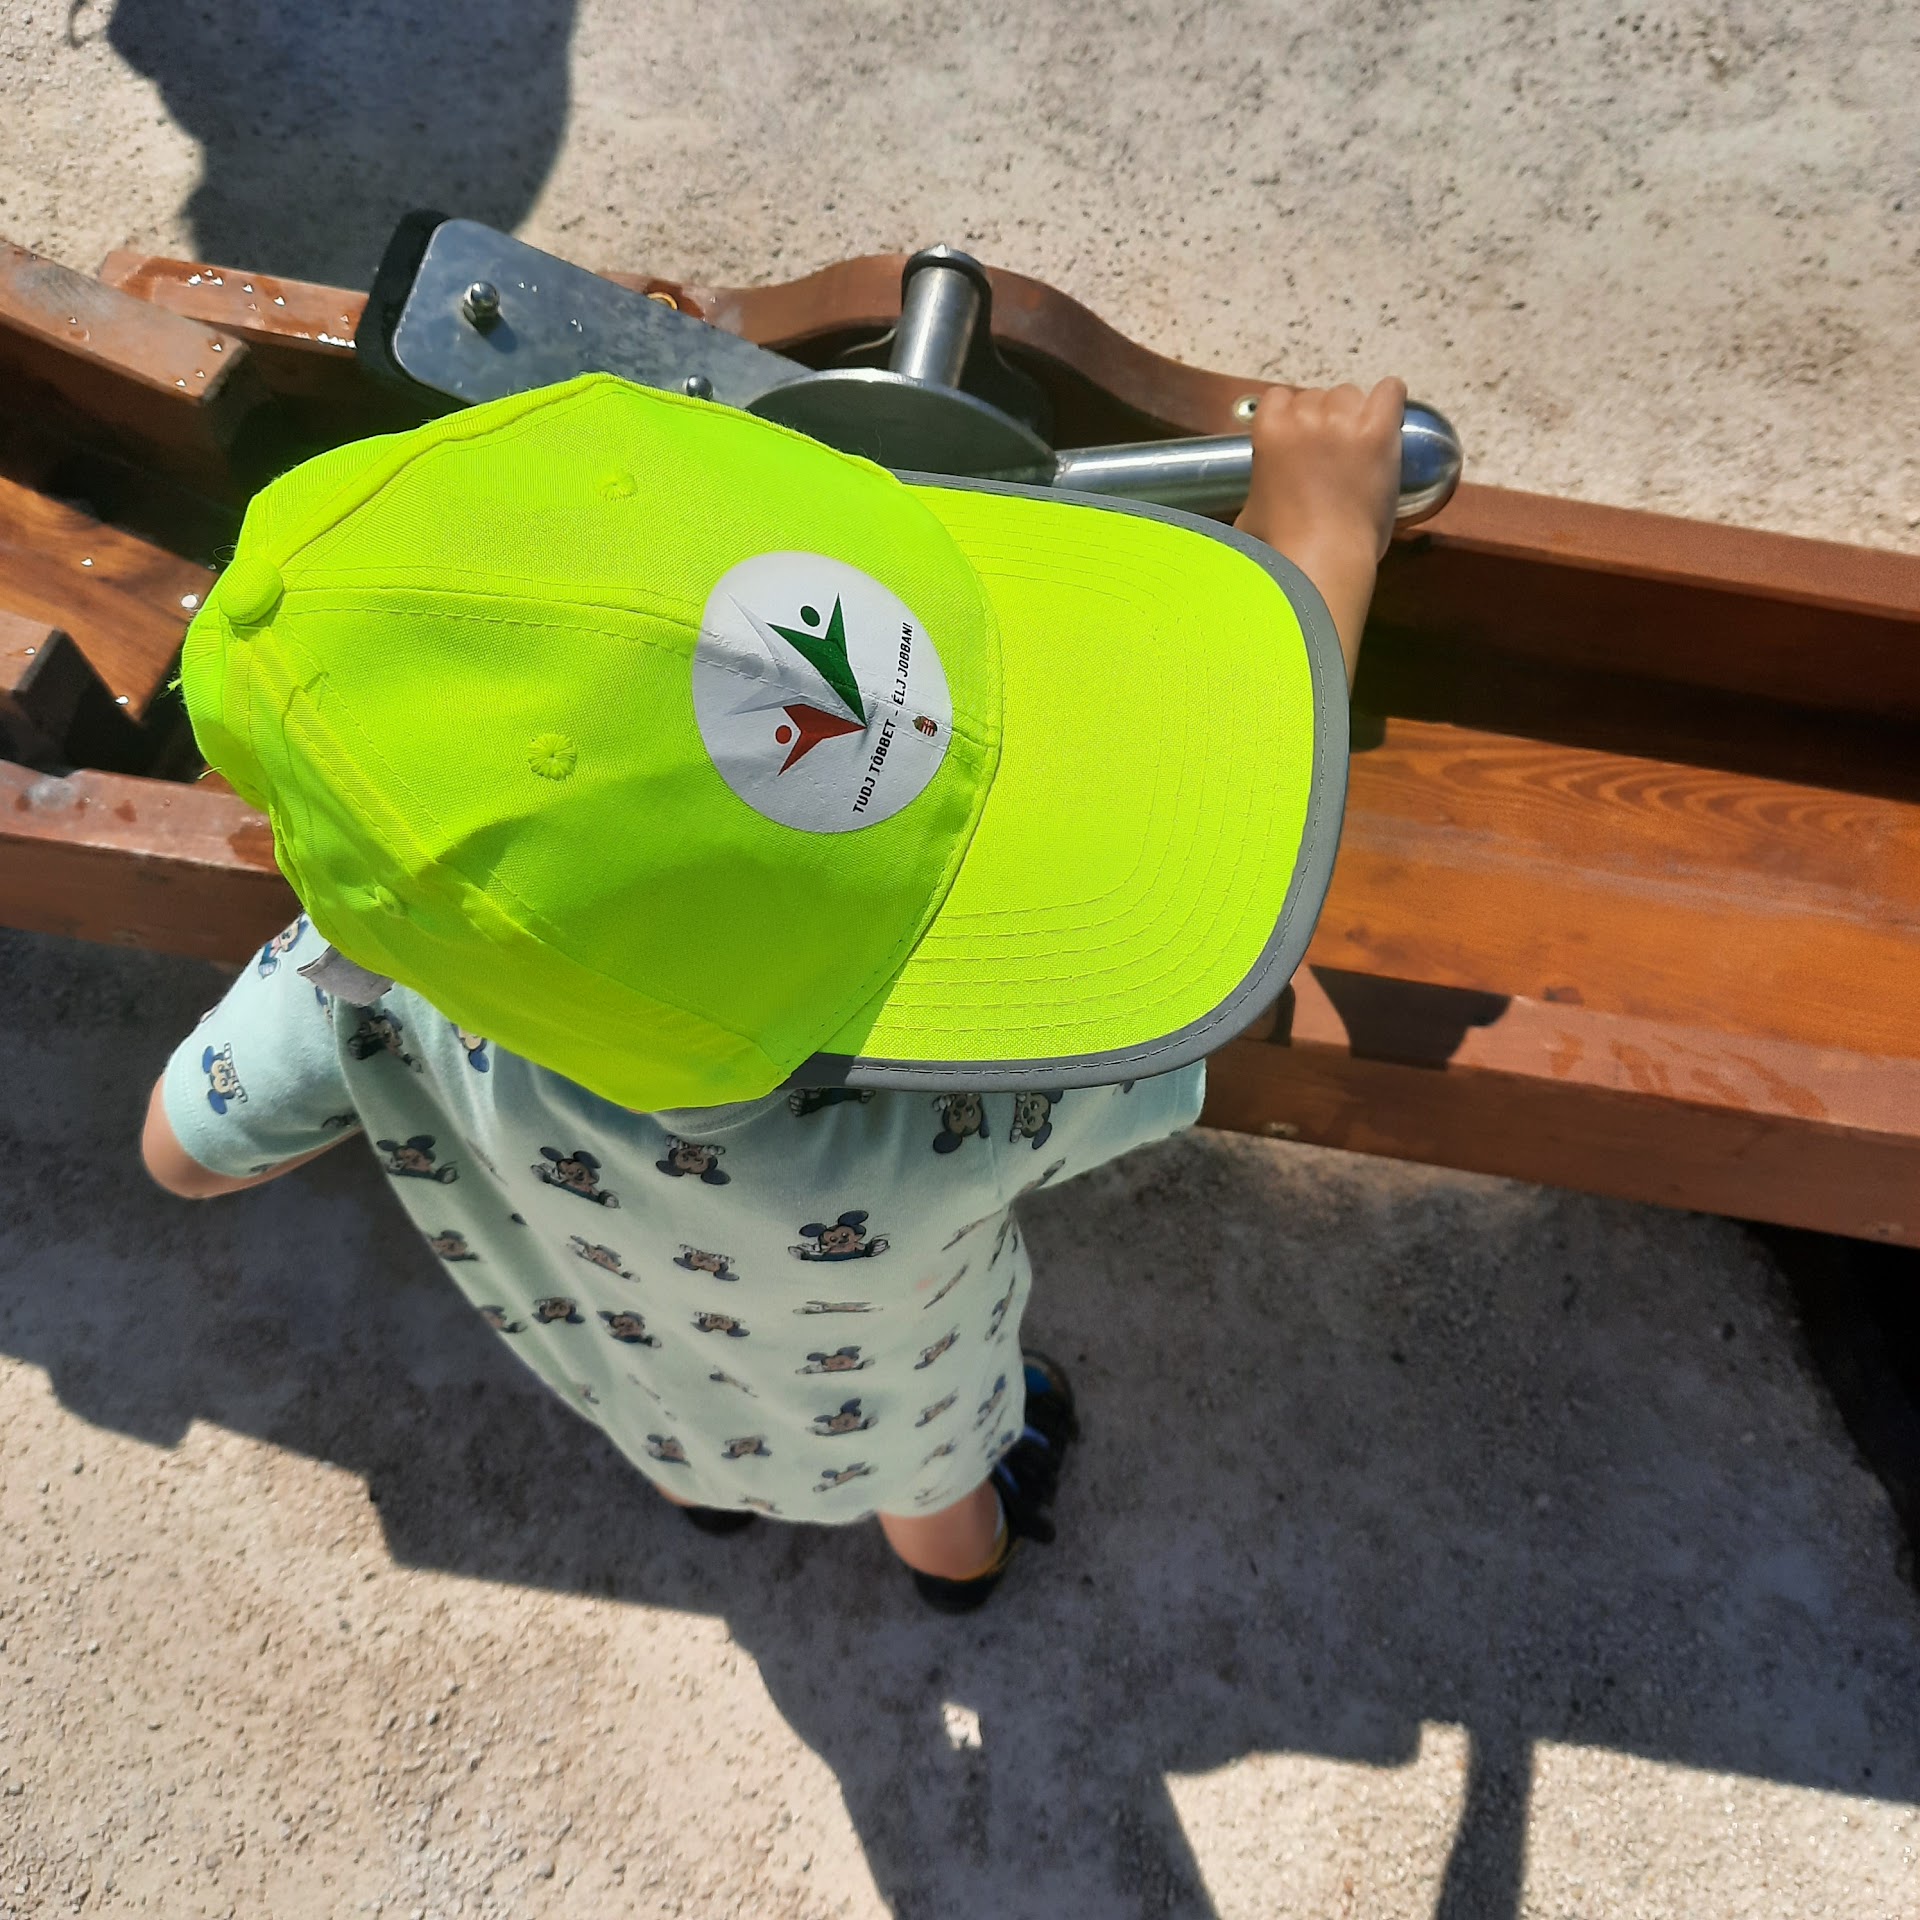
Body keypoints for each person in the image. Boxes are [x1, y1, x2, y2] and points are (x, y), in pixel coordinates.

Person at [141, 370, 1404, 1612]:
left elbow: (181, 1154)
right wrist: (1323, 543)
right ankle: (961, 1569)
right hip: (902, 1399)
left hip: (641, 1376)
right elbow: (1214, 978)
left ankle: (708, 1503)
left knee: (681, 1436)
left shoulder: (388, 970)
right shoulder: (941, 1124)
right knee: (937, 1486)